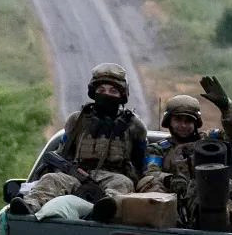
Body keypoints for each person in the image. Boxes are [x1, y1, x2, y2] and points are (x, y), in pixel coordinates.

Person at [9, 63, 147, 215]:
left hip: (113, 176)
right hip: (77, 175)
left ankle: (103, 212)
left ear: (122, 95)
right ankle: (29, 206)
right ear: (93, 92)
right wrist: (67, 170)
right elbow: (62, 152)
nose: (106, 94)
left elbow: (141, 165)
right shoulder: (77, 120)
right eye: (101, 90)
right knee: (51, 179)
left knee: (123, 184)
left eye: (113, 91)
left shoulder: (134, 126)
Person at [137, 76, 232, 196]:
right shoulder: (158, 149)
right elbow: (151, 173)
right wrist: (170, 180)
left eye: (188, 121)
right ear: (169, 122)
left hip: (212, 200)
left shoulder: (210, 141)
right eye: (178, 120)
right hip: (175, 205)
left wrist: (227, 107)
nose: (183, 125)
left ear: (196, 123)